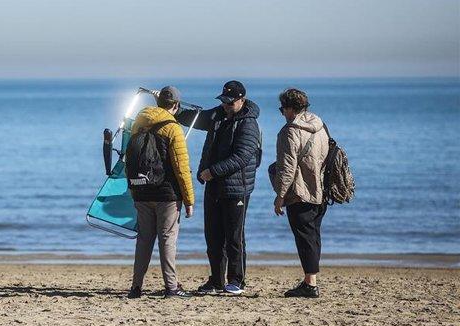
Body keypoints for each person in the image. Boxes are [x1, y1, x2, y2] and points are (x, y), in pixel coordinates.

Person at [178, 81, 260, 296]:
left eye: (230, 102)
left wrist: (212, 171)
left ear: (241, 100)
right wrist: (172, 108)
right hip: (213, 186)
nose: (226, 105)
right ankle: (215, 280)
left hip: (236, 189)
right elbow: (195, 118)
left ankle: (236, 280)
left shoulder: (249, 124)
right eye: (223, 101)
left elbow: (242, 157)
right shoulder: (218, 116)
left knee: (233, 236)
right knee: (213, 236)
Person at [127, 86, 195, 299]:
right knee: (167, 239)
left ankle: (136, 287)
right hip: (167, 194)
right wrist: (189, 199)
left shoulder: (139, 122)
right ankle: (171, 287)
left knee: (144, 240)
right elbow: (181, 167)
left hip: (141, 189)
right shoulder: (173, 128)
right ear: (176, 106)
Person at [273, 88, 329, 298]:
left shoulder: (290, 131)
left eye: (282, 109)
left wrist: (280, 196)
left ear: (290, 108)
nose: (282, 113)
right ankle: (310, 280)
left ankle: (310, 283)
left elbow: (287, 168)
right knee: (313, 236)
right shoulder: (320, 126)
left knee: (304, 237)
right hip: (321, 189)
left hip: (300, 191)